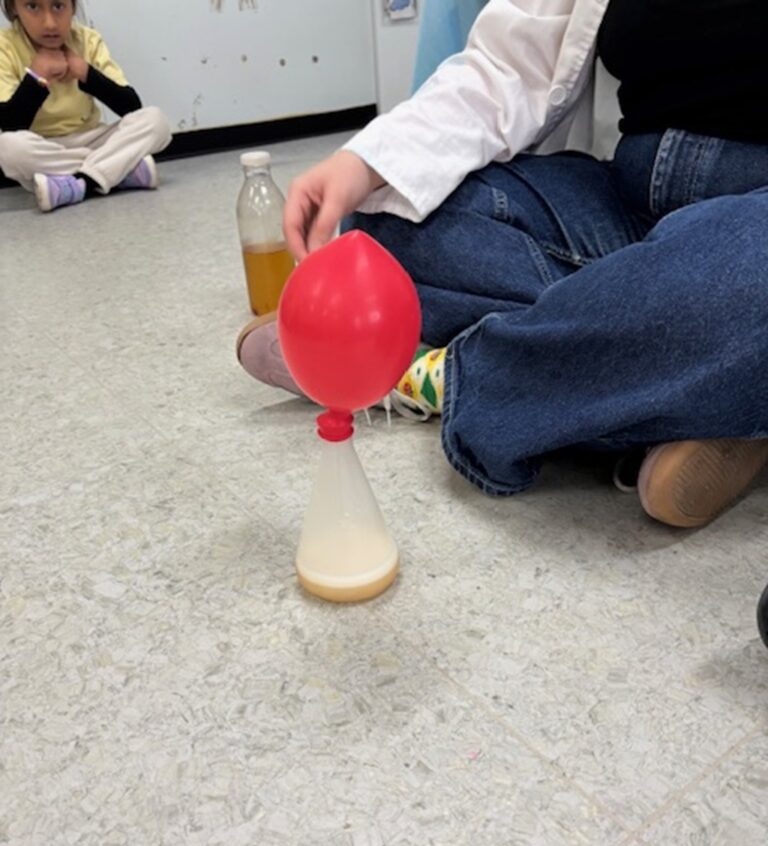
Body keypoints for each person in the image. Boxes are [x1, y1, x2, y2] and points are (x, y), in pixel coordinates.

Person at [237, 0, 768, 528]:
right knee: (390, 223)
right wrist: (367, 164)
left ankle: (430, 376)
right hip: (630, 200)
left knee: (744, 278)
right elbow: (509, 65)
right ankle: (695, 392)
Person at [0, 0, 171, 212]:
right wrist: (37, 76)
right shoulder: (4, 47)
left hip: (91, 139)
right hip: (43, 148)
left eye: (58, 6)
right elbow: (10, 124)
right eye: (33, 7)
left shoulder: (88, 40)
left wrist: (85, 73)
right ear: (14, 8)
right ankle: (117, 170)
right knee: (7, 147)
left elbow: (131, 106)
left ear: (73, 7)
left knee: (156, 121)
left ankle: (76, 184)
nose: (50, 23)